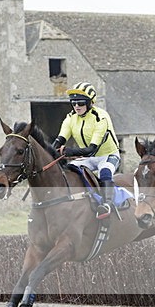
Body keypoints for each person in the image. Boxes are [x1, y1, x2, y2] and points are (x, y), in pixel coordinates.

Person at [51, 82, 121, 219]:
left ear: (90, 103)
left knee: (105, 171)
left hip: (107, 155)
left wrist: (70, 152)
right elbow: (60, 140)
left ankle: (107, 204)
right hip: (87, 158)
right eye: (73, 103)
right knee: (68, 170)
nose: (77, 106)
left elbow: (91, 149)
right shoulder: (70, 117)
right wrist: (49, 152)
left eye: (81, 103)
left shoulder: (100, 117)